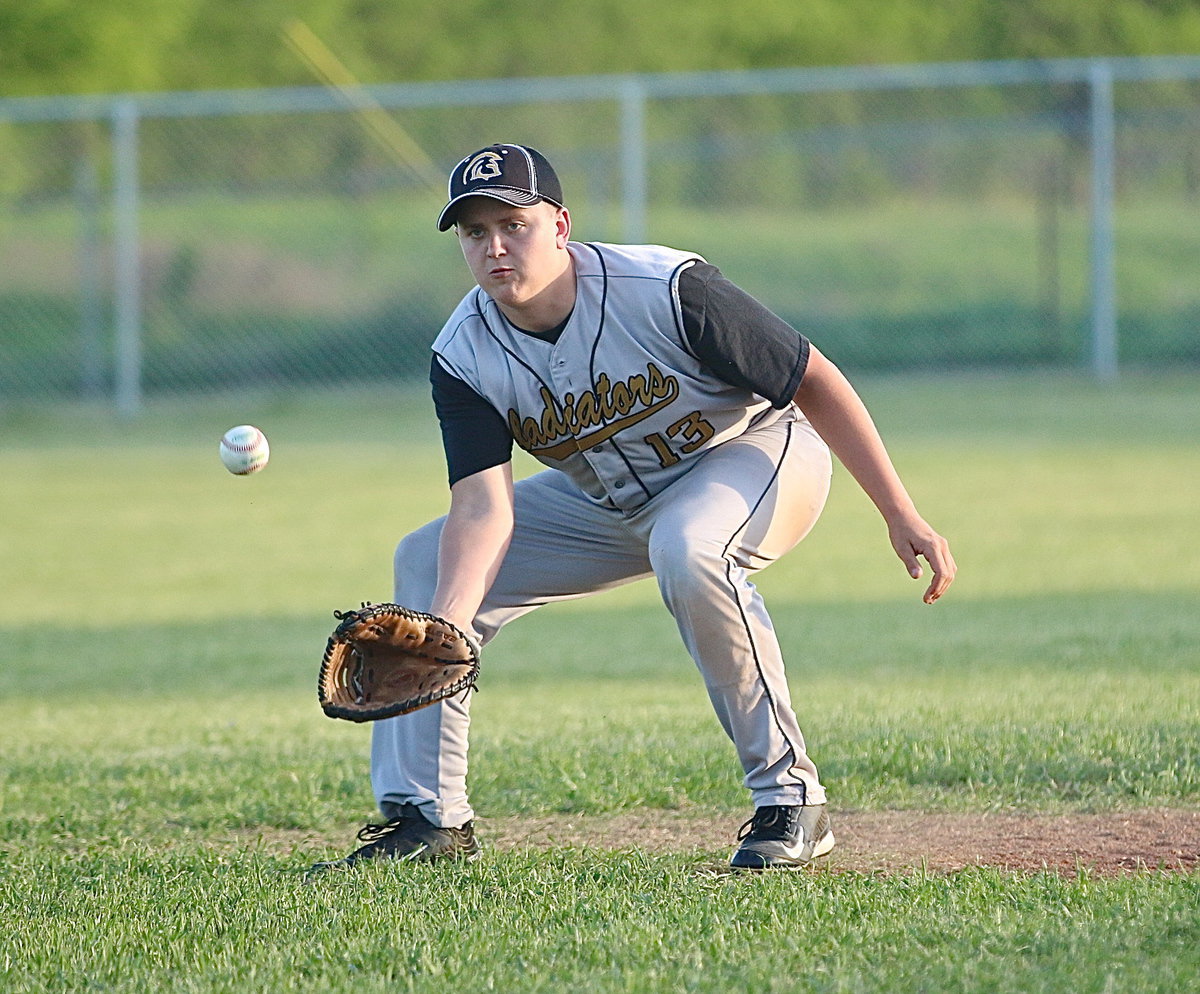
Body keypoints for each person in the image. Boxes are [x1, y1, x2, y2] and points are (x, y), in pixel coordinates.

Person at [314, 143, 956, 873]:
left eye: (512, 224)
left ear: (558, 224)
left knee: (690, 549)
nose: (494, 246)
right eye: (474, 232)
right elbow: (482, 506)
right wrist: (451, 626)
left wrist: (900, 512)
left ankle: (790, 800)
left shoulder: (665, 288)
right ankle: (428, 820)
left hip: (752, 451)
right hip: (612, 499)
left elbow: (814, 378)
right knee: (424, 560)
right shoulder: (465, 353)